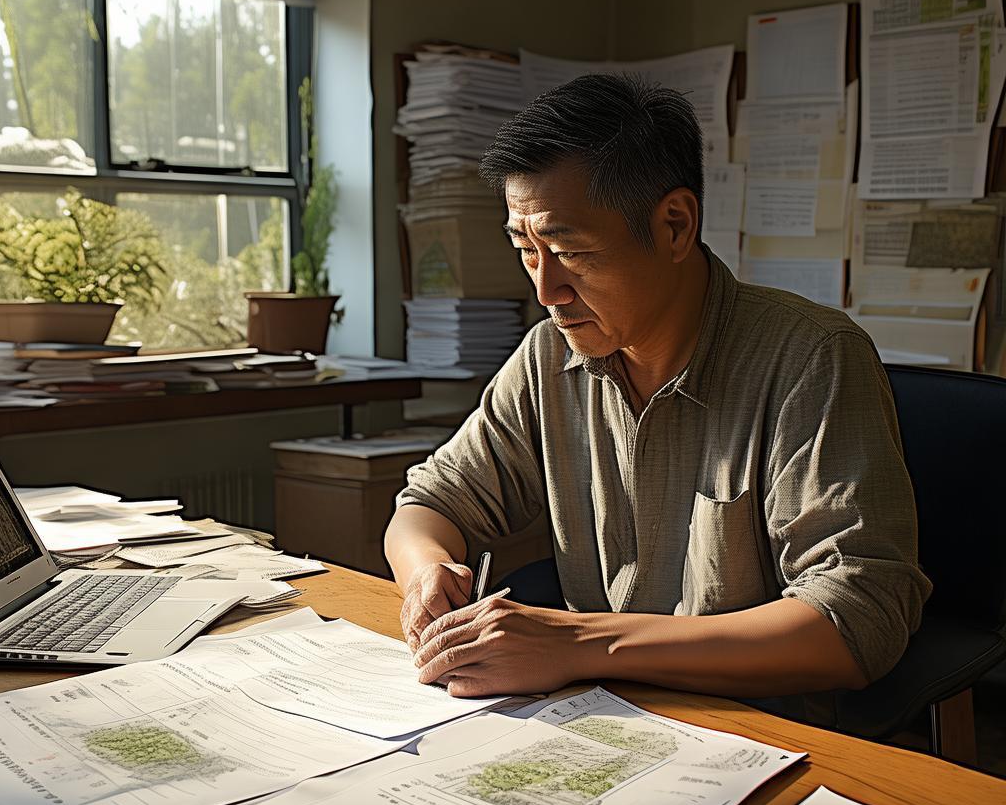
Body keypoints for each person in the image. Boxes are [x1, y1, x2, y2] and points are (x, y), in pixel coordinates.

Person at [384, 73, 931, 703]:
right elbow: (428, 506)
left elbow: (855, 619)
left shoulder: (810, 358)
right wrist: (428, 573)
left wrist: (583, 643)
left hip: (754, 722)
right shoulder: (549, 356)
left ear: (674, 225)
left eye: (570, 250)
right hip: (604, 710)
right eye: (527, 251)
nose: (546, 291)